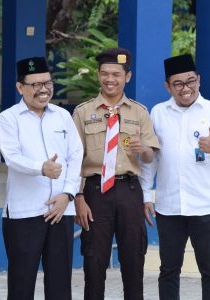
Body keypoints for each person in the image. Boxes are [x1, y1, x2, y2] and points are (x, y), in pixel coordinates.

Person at [139, 54, 210, 300]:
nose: (185, 89)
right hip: (169, 207)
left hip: (205, 206)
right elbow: (151, 160)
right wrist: (146, 195)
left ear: (198, 80)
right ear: (168, 86)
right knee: (168, 270)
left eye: (190, 81)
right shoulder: (158, 113)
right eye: (178, 84)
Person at [72, 48, 160, 300]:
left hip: (128, 190)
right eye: (105, 74)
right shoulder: (82, 112)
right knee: (93, 260)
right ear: (98, 75)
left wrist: (143, 149)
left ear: (127, 77)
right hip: (94, 191)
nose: (110, 79)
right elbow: (74, 159)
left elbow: (149, 158)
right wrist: (78, 196)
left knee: (133, 260)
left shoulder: (139, 112)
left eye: (116, 74)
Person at [0, 56, 83, 300]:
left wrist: (68, 194)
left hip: (60, 210)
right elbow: (11, 157)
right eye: (35, 85)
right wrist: (40, 168)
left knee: (60, 283)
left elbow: (76, 156)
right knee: (22, 283)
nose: (43, 89)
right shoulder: (9, 118)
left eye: (47, 83)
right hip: (24, 213)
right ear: (20, 87)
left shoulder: (63, 116)